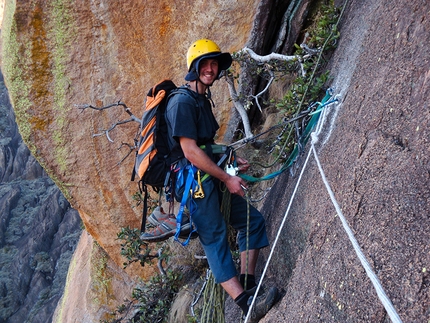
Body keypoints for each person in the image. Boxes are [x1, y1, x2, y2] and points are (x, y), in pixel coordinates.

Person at [143, 39, 279, 322]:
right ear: (194, 67)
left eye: (214, 63)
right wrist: (227, 179)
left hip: (209, 176)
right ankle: (247, 306)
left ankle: (249, 286)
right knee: (215, 237)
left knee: (252, 222)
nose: (210, 68)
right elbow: (190, 152)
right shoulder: (181, 101)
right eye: (205, 63)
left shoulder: (200, 99)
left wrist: (229, 159)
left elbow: (204, 145)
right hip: (195, 185)